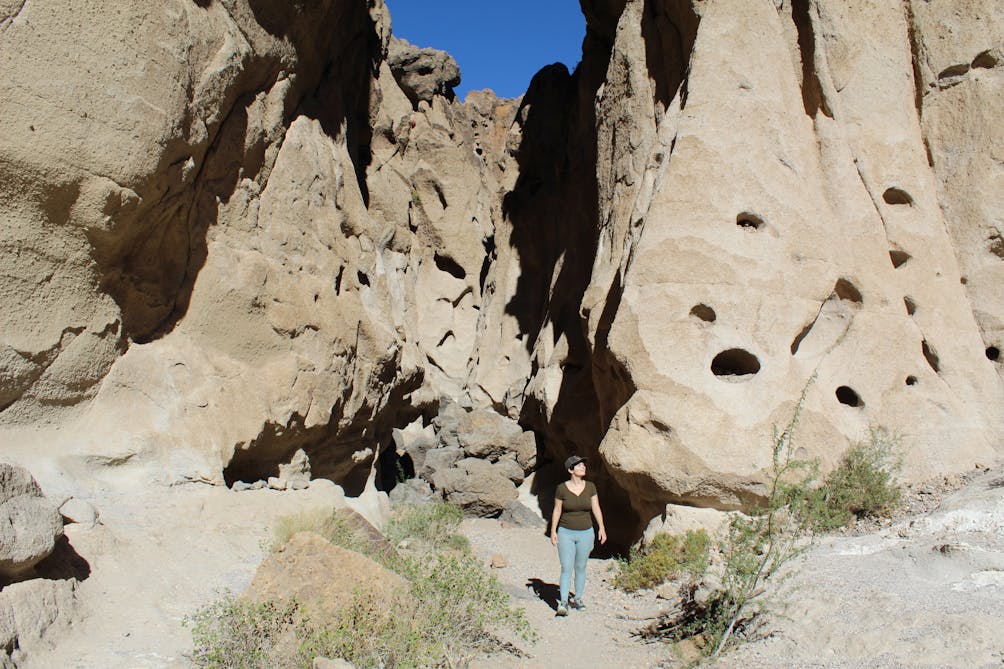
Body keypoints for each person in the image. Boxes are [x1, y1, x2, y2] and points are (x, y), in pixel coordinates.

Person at [550, 454, 606, 616]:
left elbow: (596, 508)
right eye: (579, 465)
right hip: (565, 532)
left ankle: (578, 599)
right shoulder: (561, 488)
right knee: (566, 567)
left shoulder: (590, 487)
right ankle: (563, 603)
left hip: (586, 533)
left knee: (580, 567)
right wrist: (553, 531)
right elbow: (557, 510)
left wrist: (601, 528)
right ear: (570, 470)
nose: (583, 467)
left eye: (583, 465)